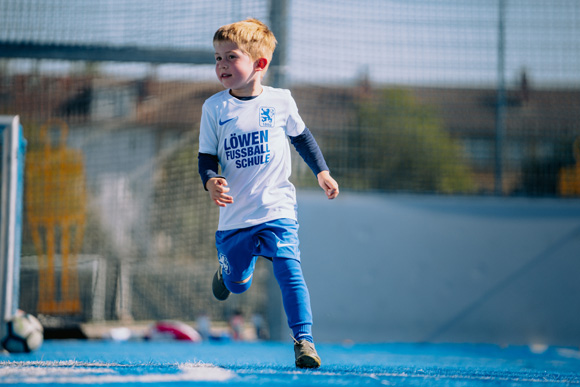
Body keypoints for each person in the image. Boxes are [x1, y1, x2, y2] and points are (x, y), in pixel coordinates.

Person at [198, 18, 339, 369]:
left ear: (260, 64)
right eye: (217, 58)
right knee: (238, 284)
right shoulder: (215, 108)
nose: (222, 66)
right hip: (235, 217)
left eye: (231, 57)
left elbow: (302, 138)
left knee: (290, 271)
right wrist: (211, 180)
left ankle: (304, 341)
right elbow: (205, 158)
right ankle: (229, 273)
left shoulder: (281, 100)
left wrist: (321, 171)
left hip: (278, 209)